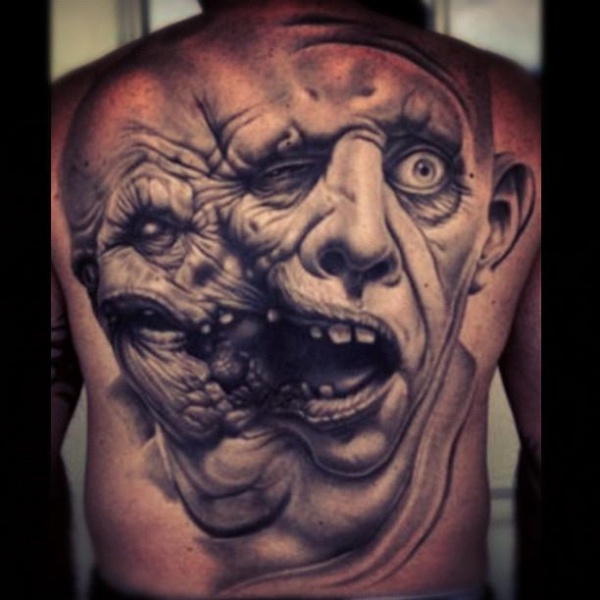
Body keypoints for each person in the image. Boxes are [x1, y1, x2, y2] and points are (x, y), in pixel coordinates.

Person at [51, 1, 541, 598]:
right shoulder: (518, 109)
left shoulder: (67, 115)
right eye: (282, 173)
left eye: (421, 170)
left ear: (497, 225)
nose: (365, 238)